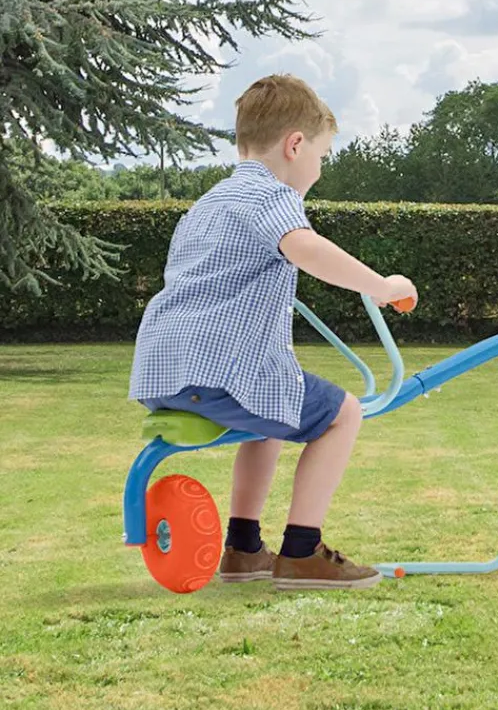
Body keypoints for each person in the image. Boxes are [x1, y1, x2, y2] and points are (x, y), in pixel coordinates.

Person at [129, 74, 417, 588]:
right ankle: (302, 552)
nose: (320, 169)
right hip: (219, 368)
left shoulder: (208, 203)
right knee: (343, 414)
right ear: (295, 145)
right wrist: (381, 286)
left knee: (270, 415)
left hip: (162, 369)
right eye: (322, 155)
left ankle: (243, 549)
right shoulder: (270, 194)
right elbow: (305, 248)